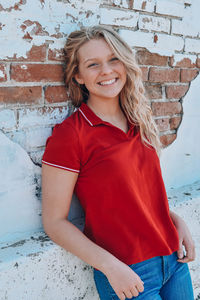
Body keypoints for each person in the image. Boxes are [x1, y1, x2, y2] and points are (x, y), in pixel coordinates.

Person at [42, 25, 195, 300]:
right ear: (78, 76)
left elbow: (139, 194)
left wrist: (175, 220)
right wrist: (110, 266)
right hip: (128, 273)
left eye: (113, 59)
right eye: (93, 64)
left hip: (173, 259)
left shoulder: (140, 119)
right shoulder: (71, 134)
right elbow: (54, 222)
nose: (107, 70)